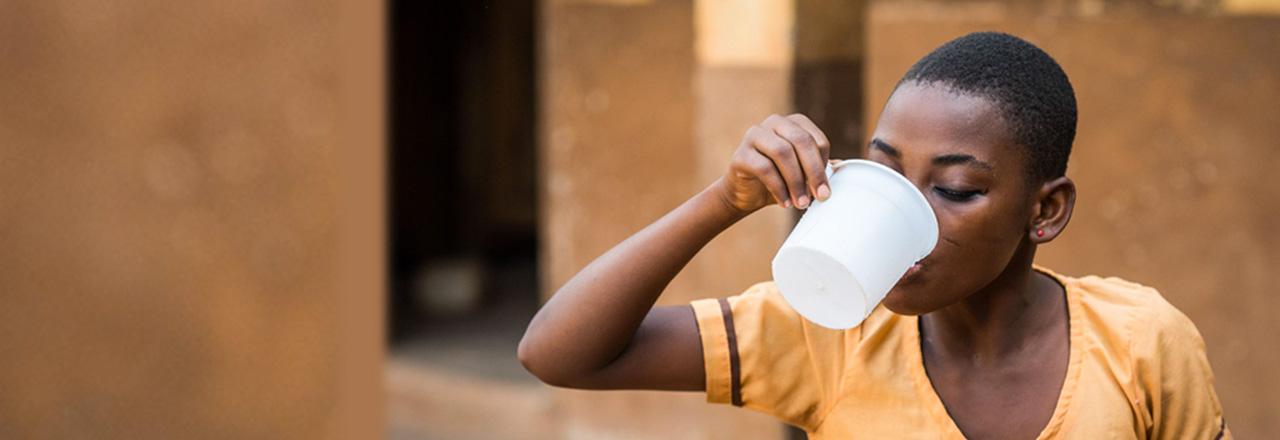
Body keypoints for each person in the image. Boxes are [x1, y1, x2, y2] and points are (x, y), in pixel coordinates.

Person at [518, 32, 1229, 439]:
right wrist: (722, 202)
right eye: (884, 173)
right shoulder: (826, 335)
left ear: (1045, 211)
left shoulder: (1139, 343)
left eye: (954, 190)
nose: (903, 215)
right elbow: (558, 352)